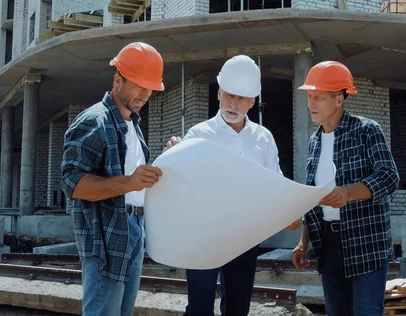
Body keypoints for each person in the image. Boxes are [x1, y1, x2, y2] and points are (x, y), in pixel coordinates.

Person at [164, 55, 297, 316]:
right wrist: (173, 158)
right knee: (199, 309)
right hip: (203, 236)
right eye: (228, 95)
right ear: (219, 93)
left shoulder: (263, 139)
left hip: (244, 238)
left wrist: (291, 209)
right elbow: (180, 184)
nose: (233, 103)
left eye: (240, 98)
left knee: (238, 308)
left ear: (252, 101)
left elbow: (274, 185)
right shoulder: (198, 135)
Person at [61, 42, 165, 316]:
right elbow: (73, 183)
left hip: (132, 227)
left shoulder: (131, 123)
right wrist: (130, 182)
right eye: (138, 85)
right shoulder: (94, 121)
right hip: (105, 236)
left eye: (150, 87)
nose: (145, 93)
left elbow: (133, 180)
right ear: (117, 79)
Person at [291, 61, 400, 316]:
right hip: (328, 245)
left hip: (366, 242)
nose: (311, 103)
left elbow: (389, 177)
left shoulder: (366, 130)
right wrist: (303, 241)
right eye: (309, 96)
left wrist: (348, 194)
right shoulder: (315, 141)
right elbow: (313, 197)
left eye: (318, 97)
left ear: (339, 98)